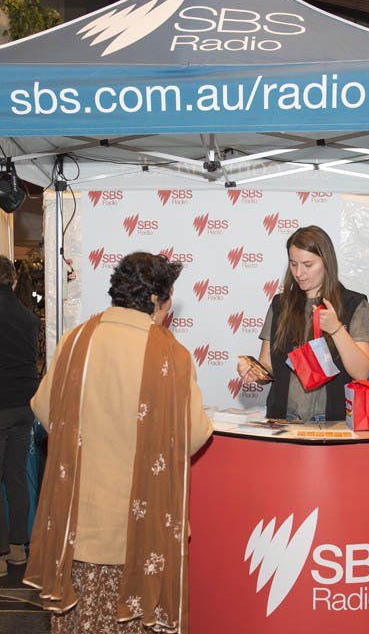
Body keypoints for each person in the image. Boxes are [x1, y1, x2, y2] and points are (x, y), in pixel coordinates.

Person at [24, 252, 213, 634]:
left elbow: (44, 410)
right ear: (155, 300)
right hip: (140, 534)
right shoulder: (171, 356)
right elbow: (194, 435)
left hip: (78, 527)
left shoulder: (76, 342)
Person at [237, 226, 369, 422]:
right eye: (293, 264)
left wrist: (336, 329)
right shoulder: (280, 305)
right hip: (282, 420)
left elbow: (362, 372)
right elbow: (267, 364)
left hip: (334, 422)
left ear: (326, 262)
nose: (299, 273)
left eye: (308, 265)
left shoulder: (354, 304)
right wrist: (255, 372)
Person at [0, 255, 40, 577]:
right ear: (12, 281)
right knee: (16, 479)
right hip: (23, 408)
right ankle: (17, 551)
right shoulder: (29, 319)